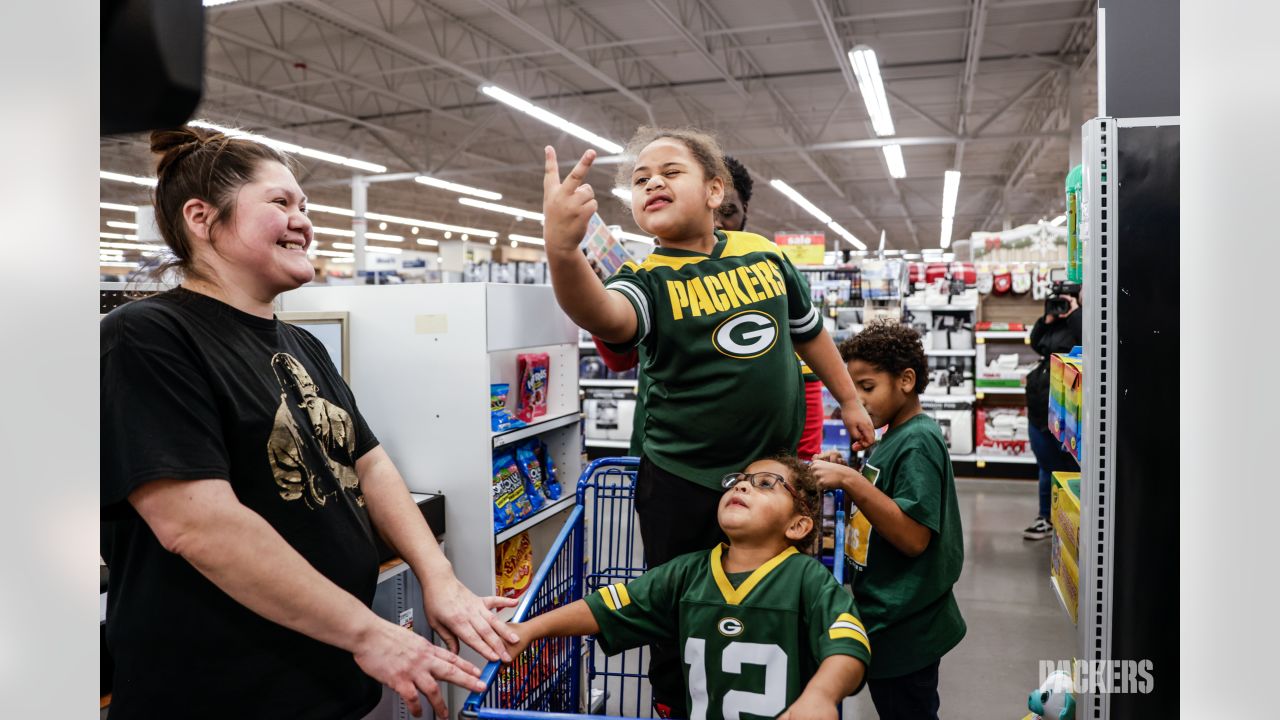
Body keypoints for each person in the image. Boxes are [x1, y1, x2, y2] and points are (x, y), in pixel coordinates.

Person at [100, 125, 518, 719]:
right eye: (280, 203)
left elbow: (370, 465)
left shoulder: (299, 344)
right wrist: (370, 634)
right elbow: (197, 526)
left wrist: (440, 578)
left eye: (305, 205)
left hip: (324, 682)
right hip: (219, 696)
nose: (304, 221)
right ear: (201, 218)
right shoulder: (147, 337)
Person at [540, 126, 875, 717]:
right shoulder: (644, 279)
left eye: (670, 171)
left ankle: (786, 694)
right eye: (640, 180)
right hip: (681, 480)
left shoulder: (765, 255)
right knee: (678, 602)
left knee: (780, 592)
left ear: (716, 190)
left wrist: (849, 401)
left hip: (772, 477)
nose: (652, 183)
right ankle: (677, 702)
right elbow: (607, 317)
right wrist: (562, 251)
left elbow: (809, 333)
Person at [503, 456, 872, 720]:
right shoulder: (686, 573)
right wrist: (529, 629)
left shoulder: (806, 580)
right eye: (738, 480)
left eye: (765, 483)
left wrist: (822, 696)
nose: (742, 484)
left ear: (797, 526)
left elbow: (848, 643)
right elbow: (607, 605)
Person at [590, 154, 825, 461]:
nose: (714, 220)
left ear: (743, 211)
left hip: (764, 466)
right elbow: (621, 361)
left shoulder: (769, 268)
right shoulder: (651, 278)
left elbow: (807, 370)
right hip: (672, 458)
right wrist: (597, 300)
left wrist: (803, 460)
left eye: (727, 211)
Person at [810, 320, 966, 720]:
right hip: (885, 612)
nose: (858, 401)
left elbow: (913, 537)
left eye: (867, 387)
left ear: (906, 380)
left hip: (907, 624)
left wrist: (851, 482)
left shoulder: (917, 441)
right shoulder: (891, 436)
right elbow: (883, 502)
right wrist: (849, 475)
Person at [1021, 293, 1083, 540]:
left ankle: (1070, 520)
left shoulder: (1084, 321)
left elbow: (1090, 343)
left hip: (1068, 408)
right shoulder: (1055, 324)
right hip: (1040, 408)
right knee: (1045, 466)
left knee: (1070, 468)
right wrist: (1047, 318)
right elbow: (1036, 342)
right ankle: (1045, 517)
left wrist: (1076, 313)